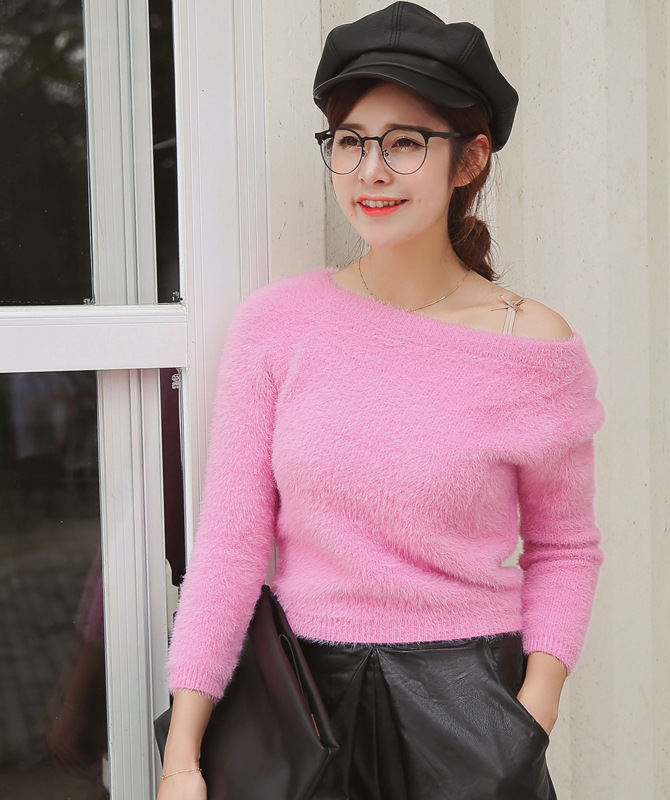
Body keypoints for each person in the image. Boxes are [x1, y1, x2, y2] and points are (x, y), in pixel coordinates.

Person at [157, 3, 605, 799]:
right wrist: (183, 752)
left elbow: (564, 547)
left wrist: (531, 715)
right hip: (304, 710)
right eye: (350, 141)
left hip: (470, 711)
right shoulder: (276, 326)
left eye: (404, 142)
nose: (370, 170)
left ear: (468, 160)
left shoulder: (532, 345)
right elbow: (230, 544)